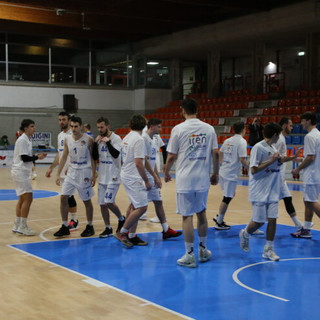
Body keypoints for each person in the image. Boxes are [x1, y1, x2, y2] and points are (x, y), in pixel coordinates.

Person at [164, 98, 219, 268]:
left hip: (185, 179)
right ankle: (203, 250)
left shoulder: (178, 129)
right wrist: (215, 173)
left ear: (182, 110)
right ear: (197, 109)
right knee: (201, 214)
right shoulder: (209, 129)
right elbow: (216, 153)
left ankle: (189, 255)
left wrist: (165, 172)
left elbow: (172, 156)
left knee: (187, 216)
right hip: (202, 178)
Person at [239, 122, 282, 261]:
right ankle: (245, 234)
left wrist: (287, 159)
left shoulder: (273, 147)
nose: (279, 137)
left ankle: (268, 249)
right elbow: (253, 169)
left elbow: (276, 162)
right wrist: (271, 161)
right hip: (259, 190)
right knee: (259, 222)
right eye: (279, 134)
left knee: (273, 220)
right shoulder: (258, 148)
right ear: (275, 134)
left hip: (272, 190)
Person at [54, 116, 96, 237]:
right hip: (72, 171)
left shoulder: (88, 139)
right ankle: (64, 226)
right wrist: (58, 173)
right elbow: (64, 156)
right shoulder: (67, 139)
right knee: (63, 197)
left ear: (81, 126)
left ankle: (90, 225)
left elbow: (93, 158)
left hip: (84, 172)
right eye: (72, 126)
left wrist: (94, 174)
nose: (73, 129)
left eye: (76, 126)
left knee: (86, 200)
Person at [114, 115, 152, 248]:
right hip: (133, 176)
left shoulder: (127, 137)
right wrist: (146, 180)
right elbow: (139, 163)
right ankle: (123, 232)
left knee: (134, 205)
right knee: (142, 207)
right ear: (144, 125)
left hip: (126, 173)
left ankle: (132, 235)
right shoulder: (139, 139)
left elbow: (123, 159)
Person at [142, 118, 182, 239]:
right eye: (159, 127)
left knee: (158, 202)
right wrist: (153, 177)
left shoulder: (153, 140)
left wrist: (157, 177)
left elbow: (152, 161)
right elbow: (144, 161)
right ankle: (126, 230)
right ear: (152, 126)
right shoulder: (143, 139)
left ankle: (166, 229)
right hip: (143, 177)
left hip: (152, 176)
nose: (161, 129)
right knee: (136, 206)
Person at [11, 119, 47, 235]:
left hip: (22, 172)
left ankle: (17, 224)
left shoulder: (27, 140)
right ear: (25, 128)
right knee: (28, 198)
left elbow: (27, 157)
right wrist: (37, 157)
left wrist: (36, 157)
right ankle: (23, 226)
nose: (34, 128)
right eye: (31, 126)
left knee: (22, 198)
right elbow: (24, 158)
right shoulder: (22, 140)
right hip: (20, 172)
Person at [45, 111, 79, 231]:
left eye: (64, 119)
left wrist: (73, 165)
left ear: (69, 120)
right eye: (59, 120)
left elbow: (79, 152)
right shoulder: (60, 135)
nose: (61, 122)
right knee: (68, 196)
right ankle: (73, 220)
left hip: (74, 171)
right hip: (63, 172)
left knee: (70, 196)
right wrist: (51, 168)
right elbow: (59, 155)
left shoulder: (73, 134)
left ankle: (75, 220)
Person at [213, 121, 249, 230]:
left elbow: (220, 153)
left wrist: (221, 164)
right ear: (243, 129)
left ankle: (219, 216)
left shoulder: (227, 140)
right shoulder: (242, 142)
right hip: (231, 173)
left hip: (223, 171)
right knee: (227, 197)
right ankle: (219, 221)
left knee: (229, 195)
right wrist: (251, 169)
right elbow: (242, 159)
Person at [95, 117, 125, 237]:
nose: (100, 129)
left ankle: (121, 218)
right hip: (102, 175)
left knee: (108, 202)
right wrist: (94, 144)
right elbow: (95, 156)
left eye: (102, 127)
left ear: (108, 126)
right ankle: (107, 227)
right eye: (98, 127)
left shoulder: (116, 138)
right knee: (102, 204)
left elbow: (116, 154)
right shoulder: (99, 139)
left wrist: (107, 142)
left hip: (114, 175)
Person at [291, 112, 320, 238]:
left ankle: (306, 229)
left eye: (302, 121)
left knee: (311, 202)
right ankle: (306, 229)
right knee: (307, 200)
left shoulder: (309, 136)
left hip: (311, 174)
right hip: (316, 173)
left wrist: (297, 169)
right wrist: (300, 160)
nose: (301, 124)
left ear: (308, 121)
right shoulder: (318, 134)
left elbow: (310, 157)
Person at [274, 117, 303, 232]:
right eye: (290, 125)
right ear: (285, 125)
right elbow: (277, 158)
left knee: (287, 198)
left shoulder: (282, 139)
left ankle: (298, 225)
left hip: (279, 177)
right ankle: (252, 226)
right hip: (276, 176)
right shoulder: (280, 139)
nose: (292, 128)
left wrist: (297, 159)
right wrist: (293, 157)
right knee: (268, 204)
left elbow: (281, 158)